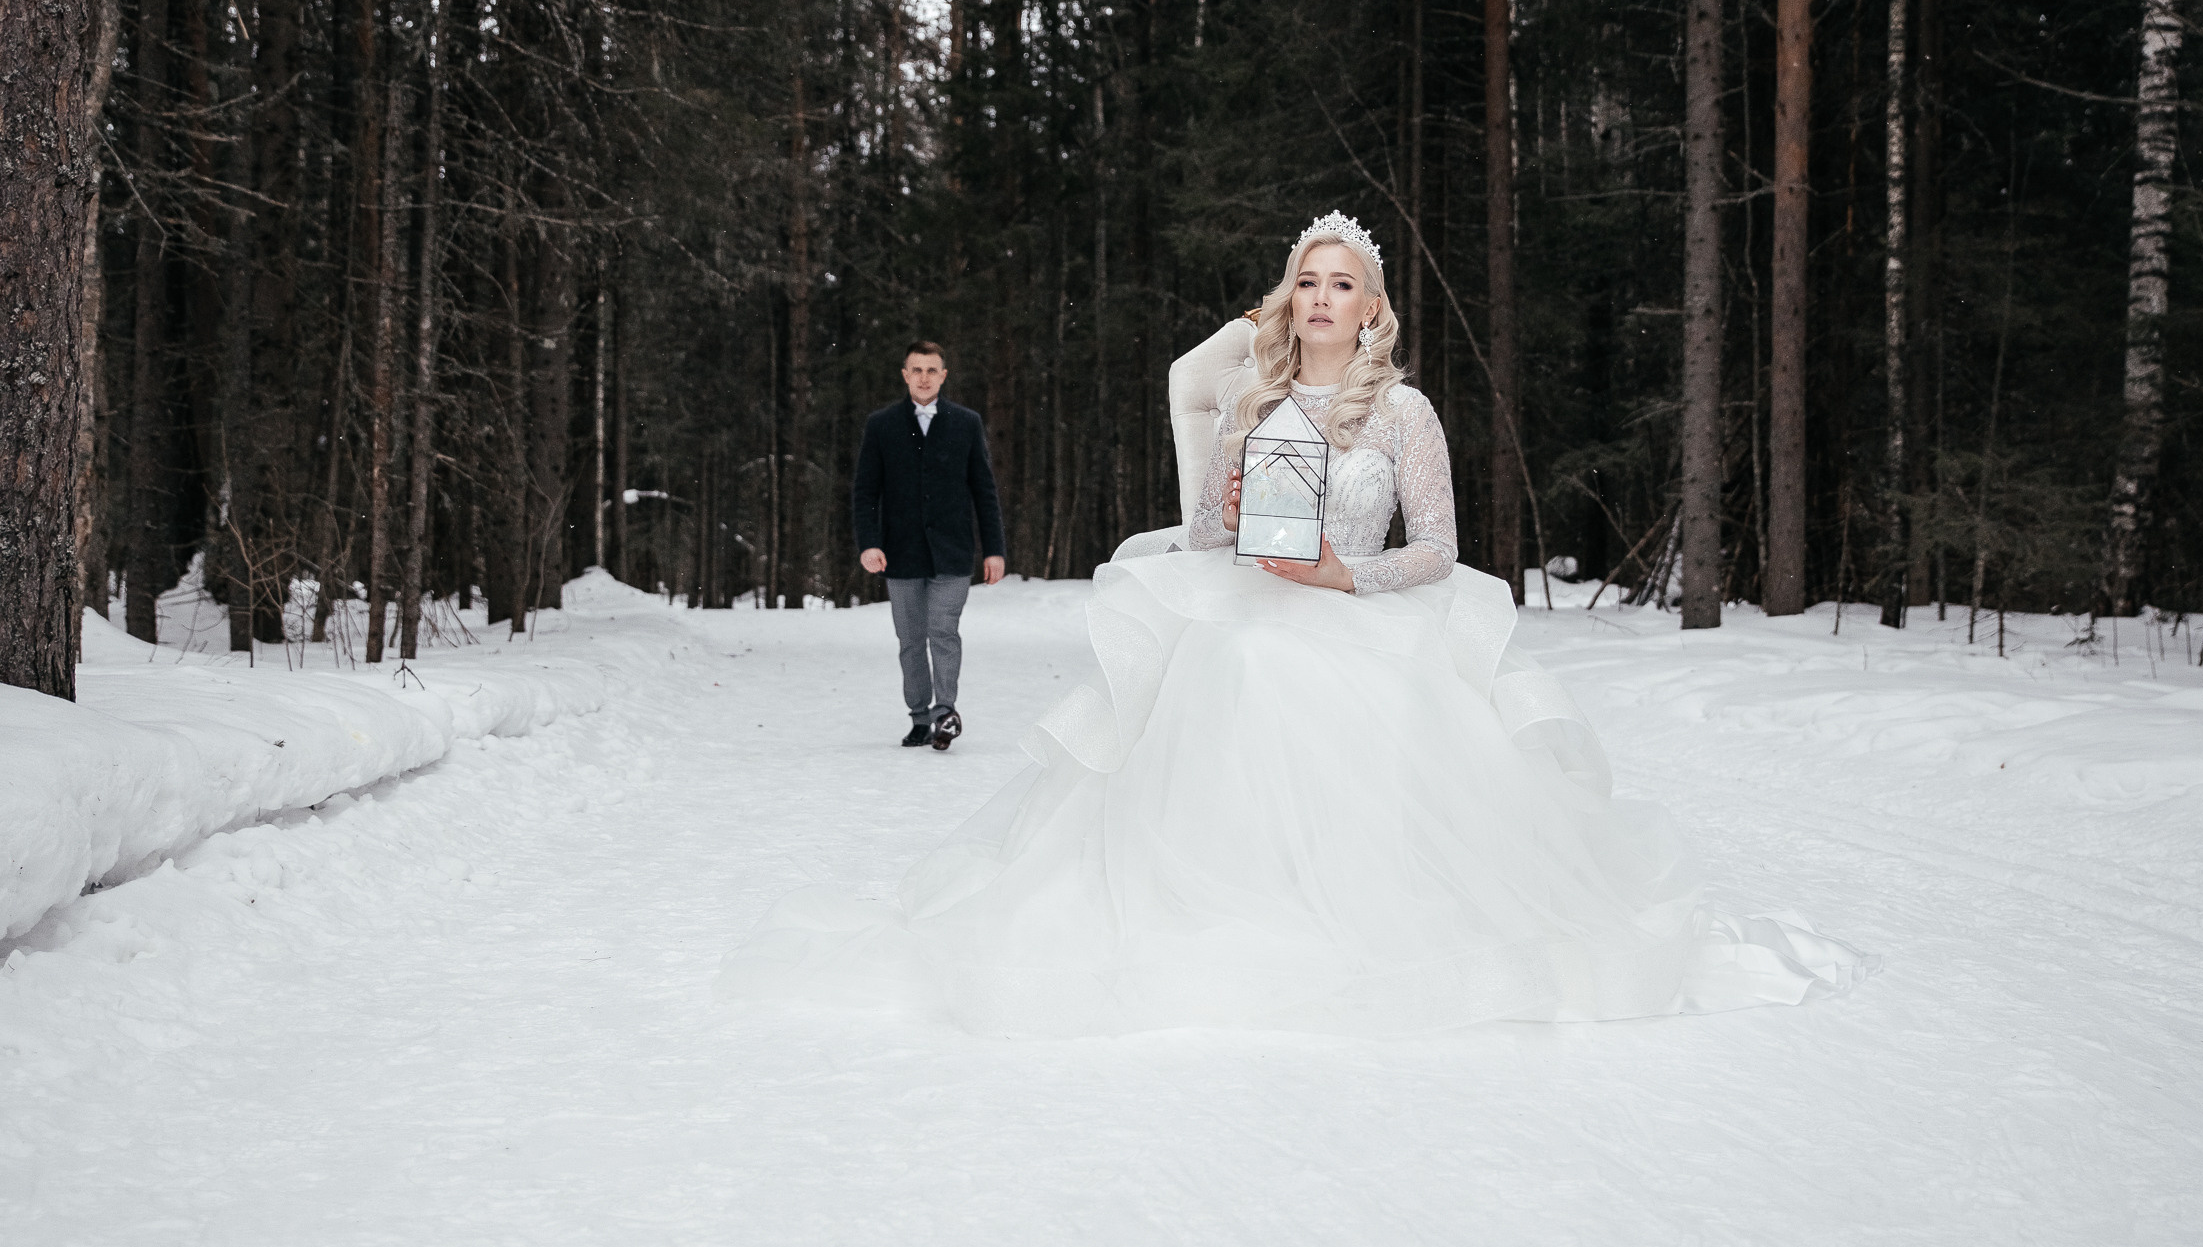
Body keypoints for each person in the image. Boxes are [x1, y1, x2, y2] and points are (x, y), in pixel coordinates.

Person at [724, 217, 1872, 1034]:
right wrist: (1229, 513)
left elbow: (1439, 550)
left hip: (1360, 606)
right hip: (1257, 597)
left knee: (1297, 662)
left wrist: (1343, 579)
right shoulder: (1254, 402)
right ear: (1293, 302)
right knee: (1235, 649)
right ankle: (1217, 896)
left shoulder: (1407, 411)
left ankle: (1368, 908)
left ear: (1373, 304)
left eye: (1343, 282)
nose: (1323, 298)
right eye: (1307, 282)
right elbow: (1220, 542)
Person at [854, 341, 1007, 752]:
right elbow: (866, 492)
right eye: (916, 369)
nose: (924, 377)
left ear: (943, 375)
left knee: (943, 631)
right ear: (905, 375)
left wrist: (994, 549)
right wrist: (869, 544)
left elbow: (984, 490)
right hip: (899, 553)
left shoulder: (965, 423)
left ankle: (945, 714)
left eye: (932, 370)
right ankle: (919, 717)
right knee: (910, 639)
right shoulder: (882, 425)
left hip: (952, 552)